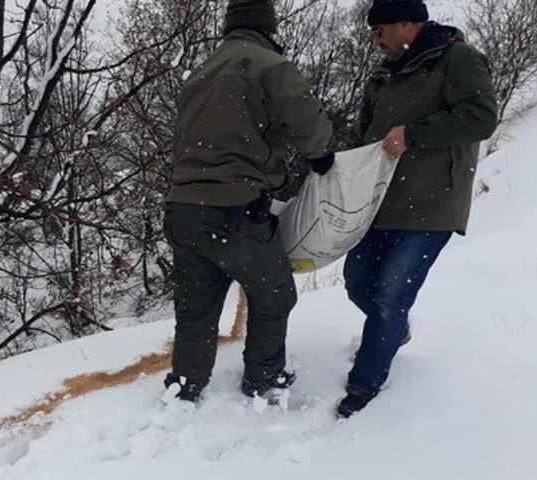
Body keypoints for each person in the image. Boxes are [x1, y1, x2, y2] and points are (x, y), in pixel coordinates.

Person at [162, 0, 334, 404]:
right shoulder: (270, 66)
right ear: (268, 27)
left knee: (196, 306)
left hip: (183, 207)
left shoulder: (200, 73)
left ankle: (186, 383)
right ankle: (264, 378)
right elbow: (307, 123)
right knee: (274, 294)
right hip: (234, 209)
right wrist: (321, 155)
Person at [338, 0, 498, 418]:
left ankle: (364, 384)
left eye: (381, 31)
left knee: (391, 295)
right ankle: (394, 331)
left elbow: (481, 118)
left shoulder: (458, 60)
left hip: (432, 203)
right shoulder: (382, 74)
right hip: (382, 200)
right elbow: (365, 132)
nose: (376, 40)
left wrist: (415, 134)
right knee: (357, 281)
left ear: (407, 24)